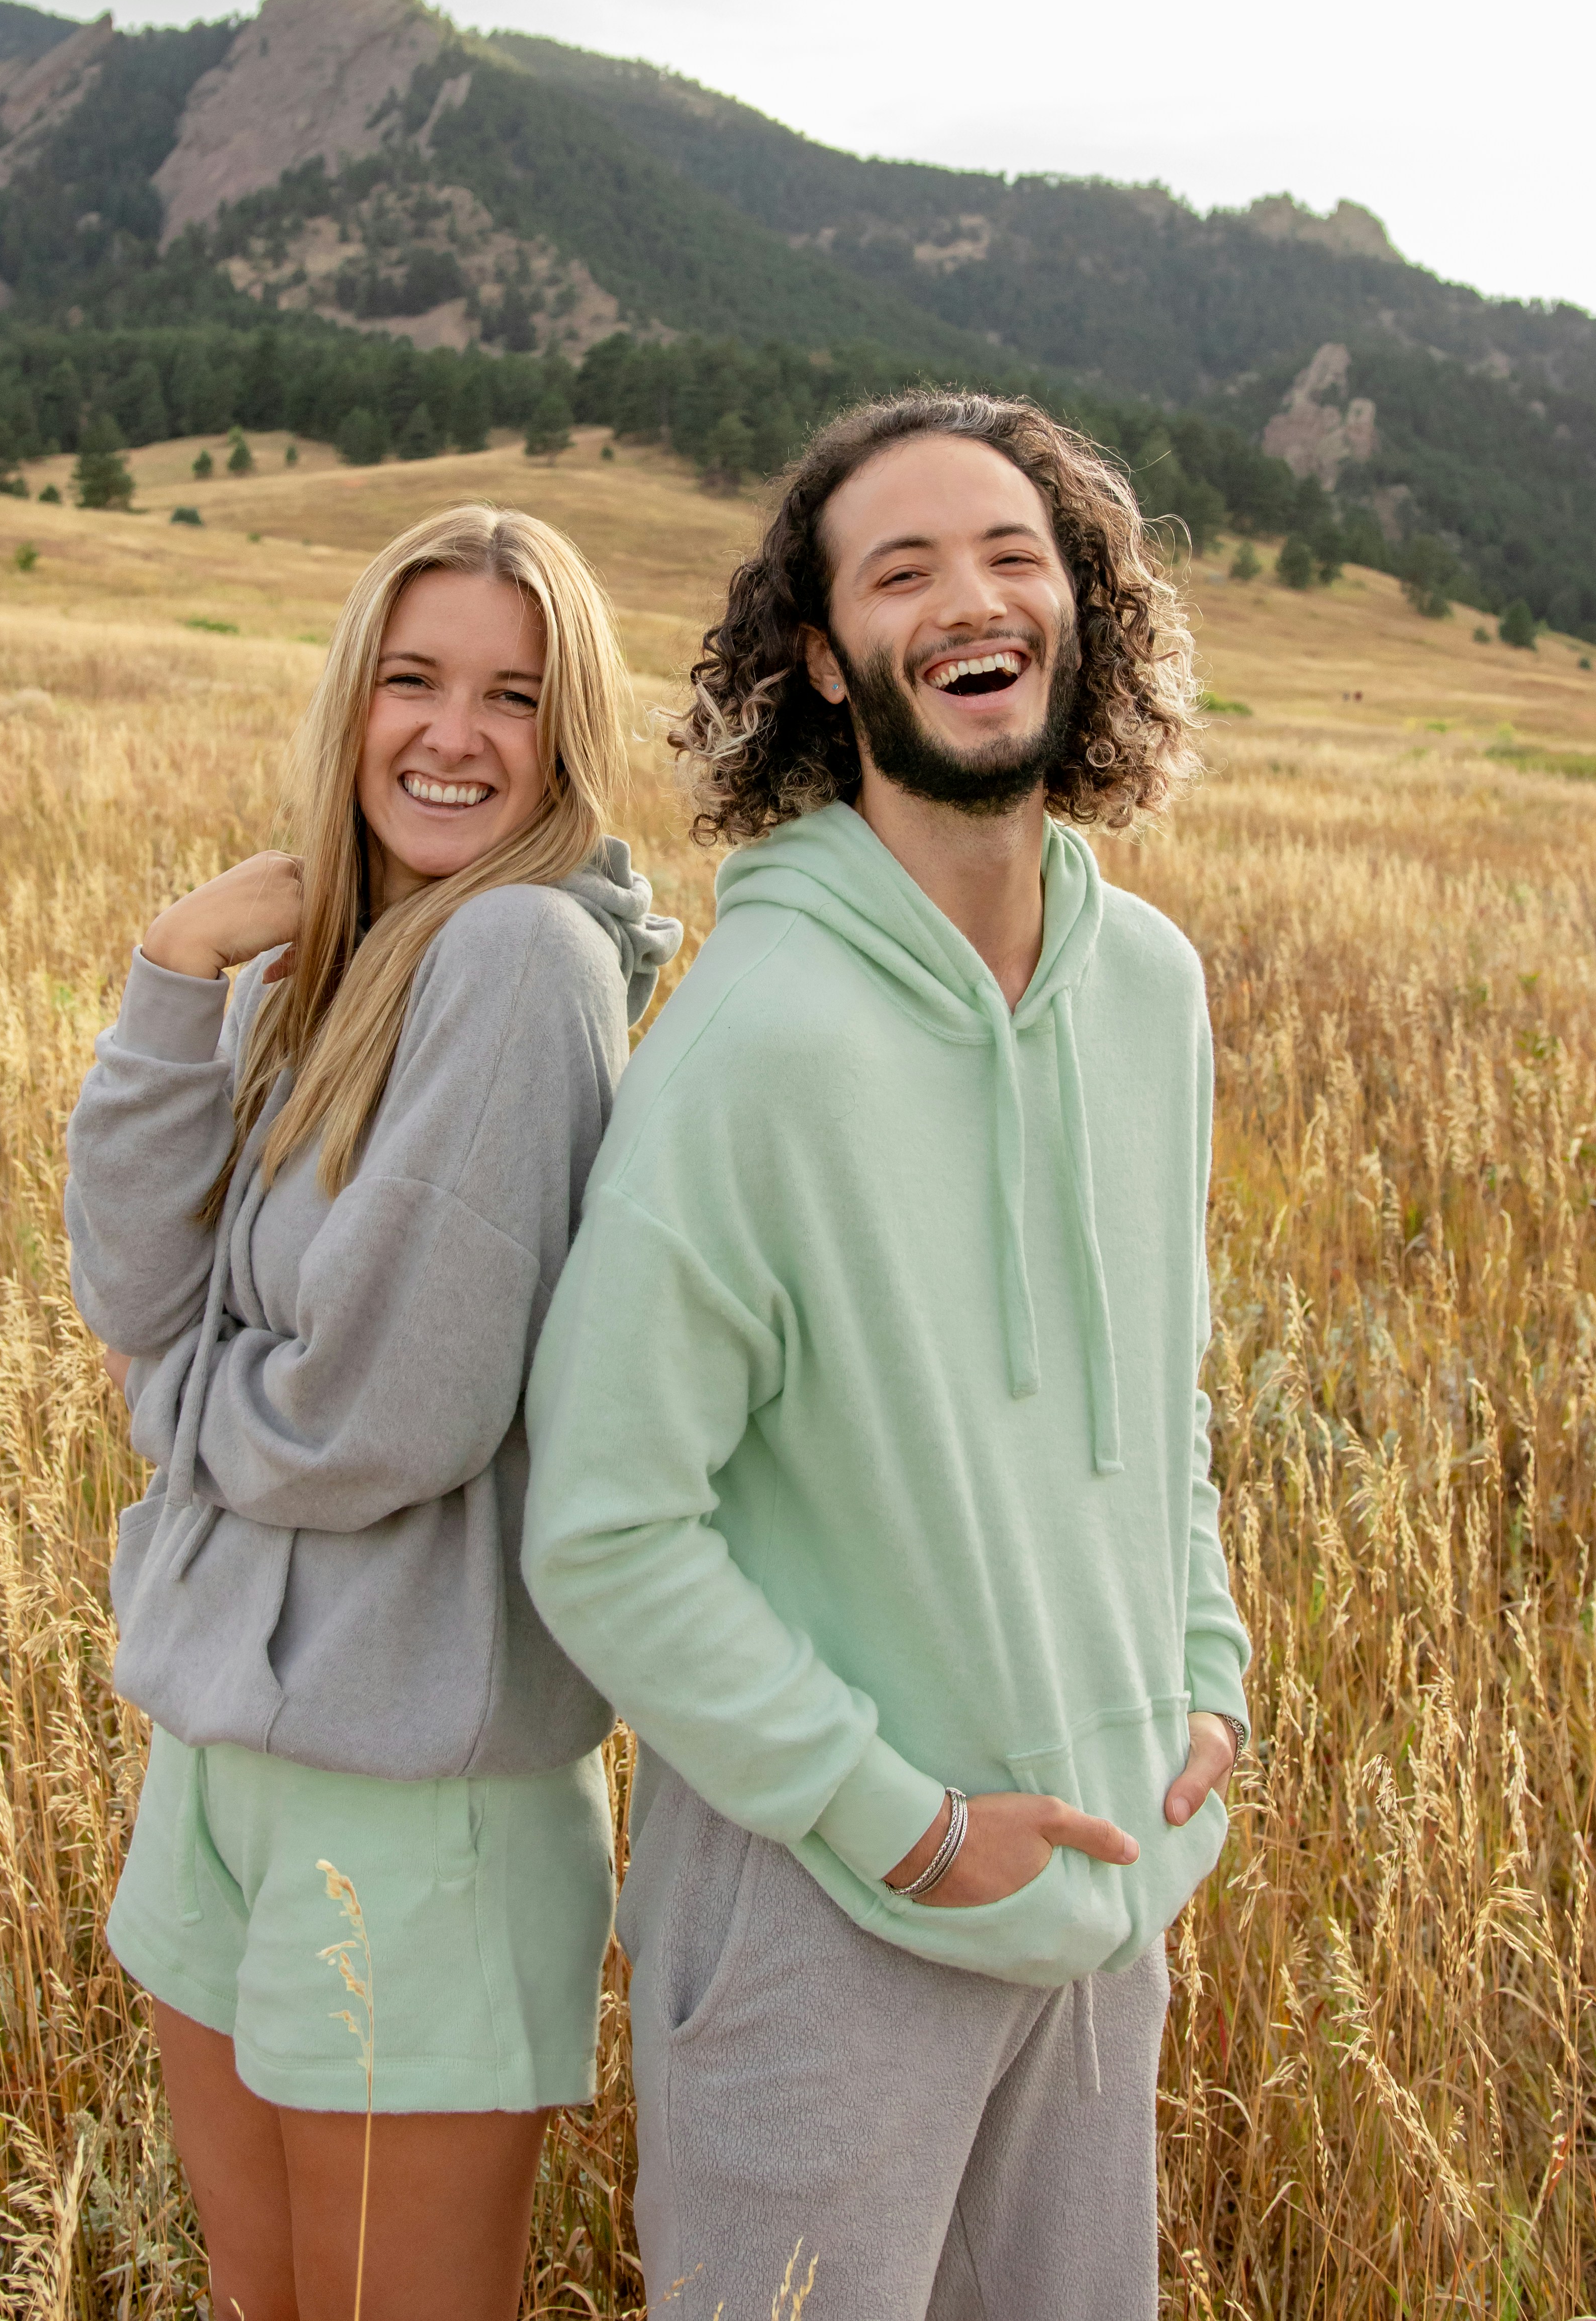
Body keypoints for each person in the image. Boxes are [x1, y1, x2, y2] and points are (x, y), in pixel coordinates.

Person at [522, 392, 1251, 2321]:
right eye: (901, 569)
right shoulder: (754, 1037)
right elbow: (605, 1528)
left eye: (1015, 555)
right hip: (828, 1917)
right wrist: (903, 1828)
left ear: (1081, 611)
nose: (968, 599)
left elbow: (1158, 1394)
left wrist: (1206, 1672)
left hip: (1103, 1903)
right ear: (828, 659)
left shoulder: (1154, 991)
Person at [66, 505, 679, 2321]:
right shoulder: (348, 956)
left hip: (415, 1798)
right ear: (351, 699)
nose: (453, 734)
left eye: (513, 695)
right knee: (267, 2301)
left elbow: (376, 1423)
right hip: (224, 1746)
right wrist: (178, 975)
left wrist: (175, 1410)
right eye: (412, 679)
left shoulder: (516, 964)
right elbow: (131, 1277)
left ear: (567, 739)